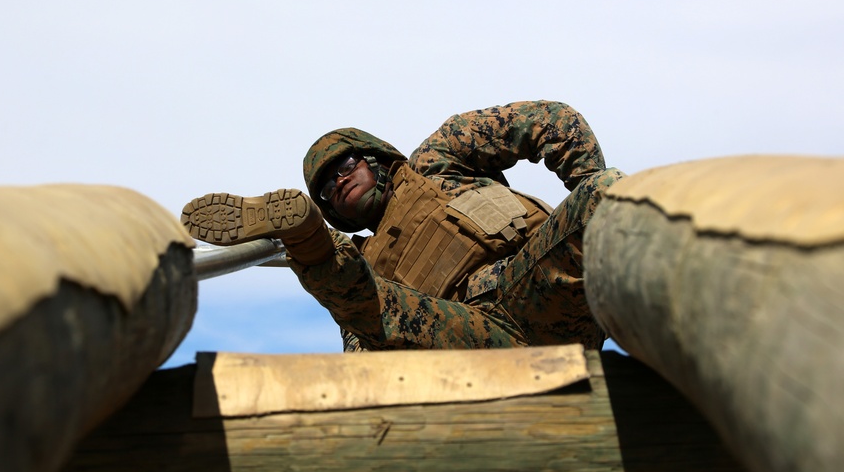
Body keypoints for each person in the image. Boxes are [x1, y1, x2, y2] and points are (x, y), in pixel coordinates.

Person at [182, 100, 623, 352]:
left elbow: (550, 122)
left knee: (607, 193)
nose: (337, 183)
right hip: (468, 338)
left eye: (344, 166)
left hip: (536, 286)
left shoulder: (437, 161)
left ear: (373, 157)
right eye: (325, 192)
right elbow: (363, 344)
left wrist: (585, 191)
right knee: (364, 306)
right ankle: (309, 242)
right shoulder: (365, 261)